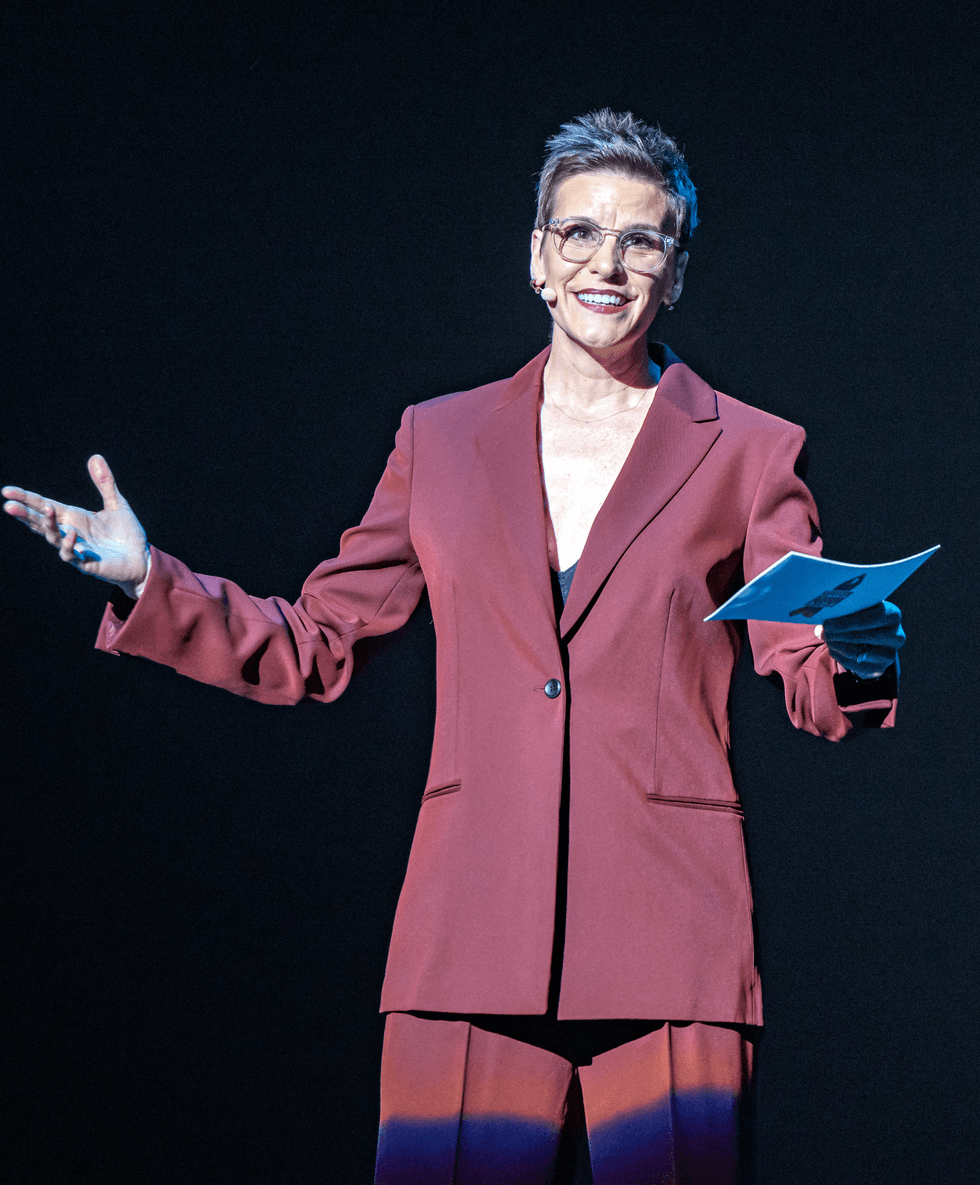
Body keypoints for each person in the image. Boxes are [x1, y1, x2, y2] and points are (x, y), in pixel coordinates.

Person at [4, 110, 904, 1184]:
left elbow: (809, 673)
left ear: (675, 270)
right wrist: (150, 581)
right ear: (535, 257)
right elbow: (316, 644)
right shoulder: (440, 439)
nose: (604, 264)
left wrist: (857, 643)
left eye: (640, 240)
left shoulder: (751, 452)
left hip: (672, 941)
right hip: (467, 935)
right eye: (577, 234)